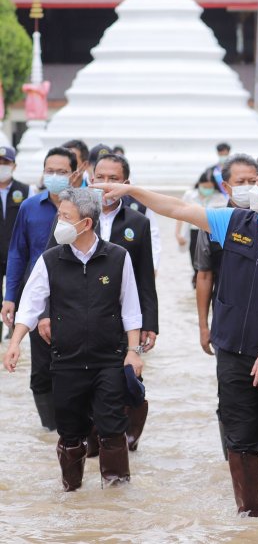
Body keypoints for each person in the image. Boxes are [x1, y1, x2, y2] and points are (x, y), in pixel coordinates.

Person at [93, 160, 258, 517]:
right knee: (240, 438)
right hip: (231, 349)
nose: (250, 188)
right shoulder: (235, 221)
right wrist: (132, 190)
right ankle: (251, 520)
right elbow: (180, 209)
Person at [3, 188, 144, 492]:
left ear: (87, 223)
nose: (59, 222)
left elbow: (131, 308)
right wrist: (14, 343)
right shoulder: (50, 260)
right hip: (65, 361)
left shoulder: (118, 257)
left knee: (112, 429)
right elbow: (30, 305)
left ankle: (117, 499)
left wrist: (133, 351)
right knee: (69, 433)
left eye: (66, 217)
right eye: (59, 215)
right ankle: (72, 494)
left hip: (108, 359)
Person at [60, 153, 158, 454]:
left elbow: (145, 276)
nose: (105, 183)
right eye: (99, 176)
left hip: (122, 316)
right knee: (83, 382)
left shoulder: (137, 222)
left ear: (126, 183)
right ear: (90, 177)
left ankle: (122, 440)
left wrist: (149, 324)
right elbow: (55, 267)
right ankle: (89, 444)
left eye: (113, 178)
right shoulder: (70, 217)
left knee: (125, 378)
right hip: (79, 315)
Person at [1, 147, 78, 430]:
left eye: (62, 172)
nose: (55, 176)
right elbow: (17, 253)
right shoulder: (29, 207)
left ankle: (76, 428)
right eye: (50, 170)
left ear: (75, 173)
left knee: (76, 369)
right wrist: (11, 298)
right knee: (41, 371)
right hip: (37, 299)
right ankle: (52, 431)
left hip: (76, 299)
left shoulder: (85, 206)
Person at [193, 153, 258, 460]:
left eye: (253, 181)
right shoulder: (213, 223)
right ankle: (234, 458)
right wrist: (204, 325)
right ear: (226, 186)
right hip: (227, 322)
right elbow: (204, 275)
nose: (247, 187)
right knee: (230, 393)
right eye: (240, 182)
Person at [0, 146, 31, 341]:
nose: (2, 166)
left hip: (16, 255)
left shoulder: (26, 190)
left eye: (6, 163)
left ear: (14, 165)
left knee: (16, 296)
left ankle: (13, 337)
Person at [176, 172, 225, 287]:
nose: (207, 189)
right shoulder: (190, 195)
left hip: (211, 231)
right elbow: (180, 214)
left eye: (210, 187)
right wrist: (178, 234)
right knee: (194, 257)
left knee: (209, 257)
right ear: (199, 184)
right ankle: (196, 277)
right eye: (205, 187)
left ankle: (207, 279)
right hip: (194, 230)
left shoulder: (219, 197)